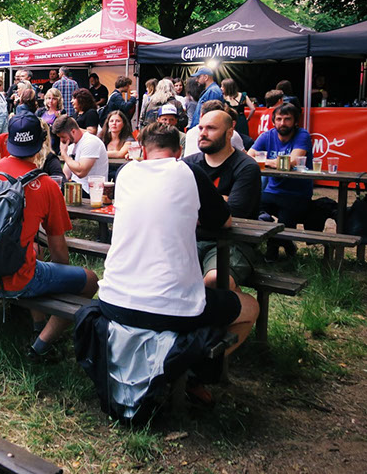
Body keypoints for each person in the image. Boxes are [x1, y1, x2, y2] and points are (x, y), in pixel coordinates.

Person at [97, 122, 258, 376]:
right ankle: (194, 371)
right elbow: (224, 221)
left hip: (111, 301)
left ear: (143, 151)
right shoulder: (190, 172)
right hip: (169, 308)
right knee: (250, 307)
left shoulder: (125, 172)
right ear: (179, 153)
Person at [0, 113, 99, 360]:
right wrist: (59, 277)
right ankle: (41, 346)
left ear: (8, 140)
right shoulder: (47, 185)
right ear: (42, 143)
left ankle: (38, 324)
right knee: (90, 280)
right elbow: (58, 250)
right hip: (20, 281)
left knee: (33, 254)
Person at [184, 110, 262, 288]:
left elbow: (234, 213)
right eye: (201, 128)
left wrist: (196, 204)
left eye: (211, 128)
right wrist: (220, 200)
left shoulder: (247, 166)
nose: (203, 133)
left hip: (233, 241)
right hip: (191, 238)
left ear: (229, 133)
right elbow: (175, 207)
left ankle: (243, 304)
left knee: (216, 280)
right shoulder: (188, 164)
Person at [248, 103, 313, 260]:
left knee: (284, 226)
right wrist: (275, 162)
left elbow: (292, 161)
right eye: (279, 119)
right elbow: (248, 157)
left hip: (296, 193)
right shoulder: (267, 136)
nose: (282, 123)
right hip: (272, 191)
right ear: (273, 121)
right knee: (248, 208)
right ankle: (281, 242)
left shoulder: (302, 135)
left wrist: (264, 161)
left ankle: (274, 252)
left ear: (295, 121)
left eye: (287, 119)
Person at [52, 114, 109, 191]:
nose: (61, 141)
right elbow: (65, 175)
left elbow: (81, 173)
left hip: (91, 191)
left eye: (63, 137)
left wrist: (64, 155)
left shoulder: (91, 142)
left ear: (73, 131)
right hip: (76, 188)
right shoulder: (71, 146)